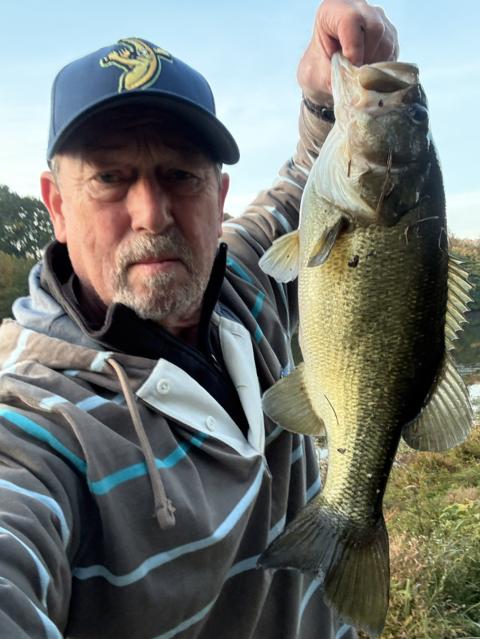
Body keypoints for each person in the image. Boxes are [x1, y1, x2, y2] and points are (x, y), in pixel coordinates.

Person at [0, 1, 397, 637]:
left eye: (181, 175)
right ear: (57, 207)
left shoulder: (248, 281)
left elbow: (319, 185)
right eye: (110, 177)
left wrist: (328, 97)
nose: (151, 214)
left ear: (219, 197)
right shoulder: (33, 423)